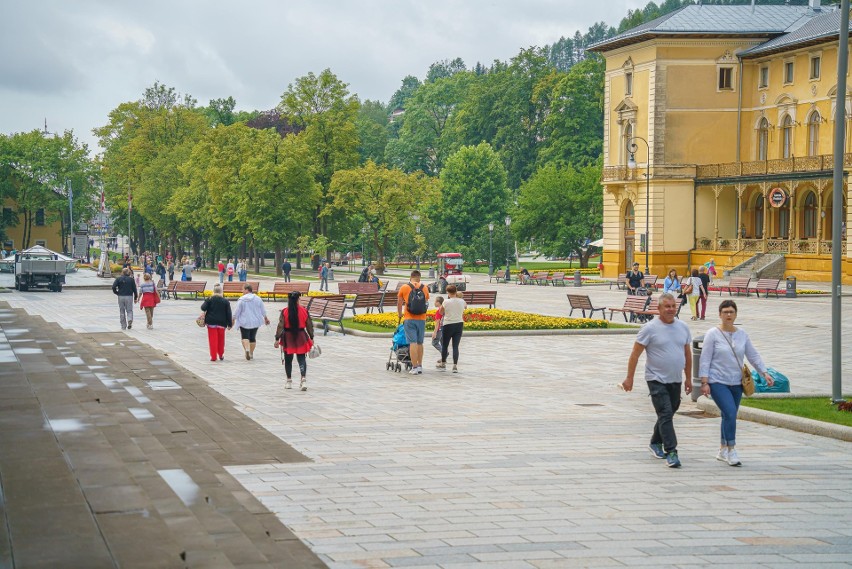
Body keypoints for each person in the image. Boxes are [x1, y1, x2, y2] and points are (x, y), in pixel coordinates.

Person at [699, 300, 773, 467]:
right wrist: (704, 382)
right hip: (717, 381)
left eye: (731, 312)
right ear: (719, 315)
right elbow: (705, 358)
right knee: (731, 412)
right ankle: (732, 449)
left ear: (736, 314)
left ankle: (722, 449)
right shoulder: (712, 334)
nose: (729, 315)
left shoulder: (742, 334)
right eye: (725, 312)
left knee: (727, 415)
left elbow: (752, 355)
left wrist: (764, 372)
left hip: (737, 382)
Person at [622, 293, 692, 468]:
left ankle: (655, 442)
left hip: (675, 379)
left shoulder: (683, 327)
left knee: (668, 412)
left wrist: (689, 378)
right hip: (655, 378)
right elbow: (635, 354)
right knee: (666, 412)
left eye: (673, 306)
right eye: (666, 306)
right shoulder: (649, 328)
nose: (670, 309)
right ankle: (672, 451)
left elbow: (687, 354)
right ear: (659, 309)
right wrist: (629, 378)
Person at [274, 291, 314, 391]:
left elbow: (280, 326)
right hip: (301, 336)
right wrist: (311, 337)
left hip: (288, 337)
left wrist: (276, 338)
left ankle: (289, 381)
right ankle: (303, 379)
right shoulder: (304, 311)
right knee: (301, 358)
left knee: (288, 360)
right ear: (297, 300)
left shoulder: (285, 311)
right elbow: (309, 325)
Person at [397, 270, 430, 375]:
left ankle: (414, 367)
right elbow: (426, 302)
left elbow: (399, 302)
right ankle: (420, 366)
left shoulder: (404, 287)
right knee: (420, 343)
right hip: (422, 318)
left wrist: (399, 313)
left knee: (413, 343)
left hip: (409, 318)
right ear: (419, 278)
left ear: (410, 277)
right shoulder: (424, 288)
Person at [233, 284, 269, 361]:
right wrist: (266, 318)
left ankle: (247, 349)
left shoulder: (241, 300)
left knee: (245, 337)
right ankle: (251, 353)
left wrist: (233, 318)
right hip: (255, 321)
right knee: (252, 337)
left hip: (244, 321)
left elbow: (237, 311)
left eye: (243, 289)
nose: (242, 291)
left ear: (247, 290)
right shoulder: (258, 299)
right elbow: (263, 310)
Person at [437, 285, 467, 373]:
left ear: (448, 293)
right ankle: (455, 365)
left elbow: (441, 312)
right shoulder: (462, 301)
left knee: (445, 345)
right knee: (455, 346)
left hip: (448, 324)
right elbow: (465, 307)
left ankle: (443, 362)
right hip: (459, 324)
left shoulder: (446, 301)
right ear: (456, 291)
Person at [200, 284, 232, 362]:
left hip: (211, 323)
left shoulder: (210, 299)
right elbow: (229, 313)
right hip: (222, 323)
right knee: (221, 340)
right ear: (221, 291)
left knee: (213, 340)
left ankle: (213, 356)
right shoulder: (225, 301)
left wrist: (207, 300)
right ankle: (220, 354)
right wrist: (229, 324)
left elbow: (203, 307)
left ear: (213, 291)